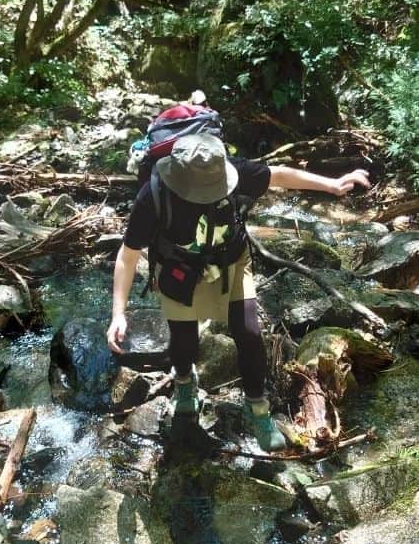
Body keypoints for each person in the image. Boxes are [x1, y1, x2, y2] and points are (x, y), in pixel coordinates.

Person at [106, 133, 370, 451]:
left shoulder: (228, 169)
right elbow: (128, 253)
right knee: (183, 338)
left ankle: (257, 408)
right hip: (178, 270)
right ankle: (185, 385)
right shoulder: (154, 194)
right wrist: (118, 313)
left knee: (248, 333)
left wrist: (332, 184)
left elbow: (278, 175)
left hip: (231, 262)